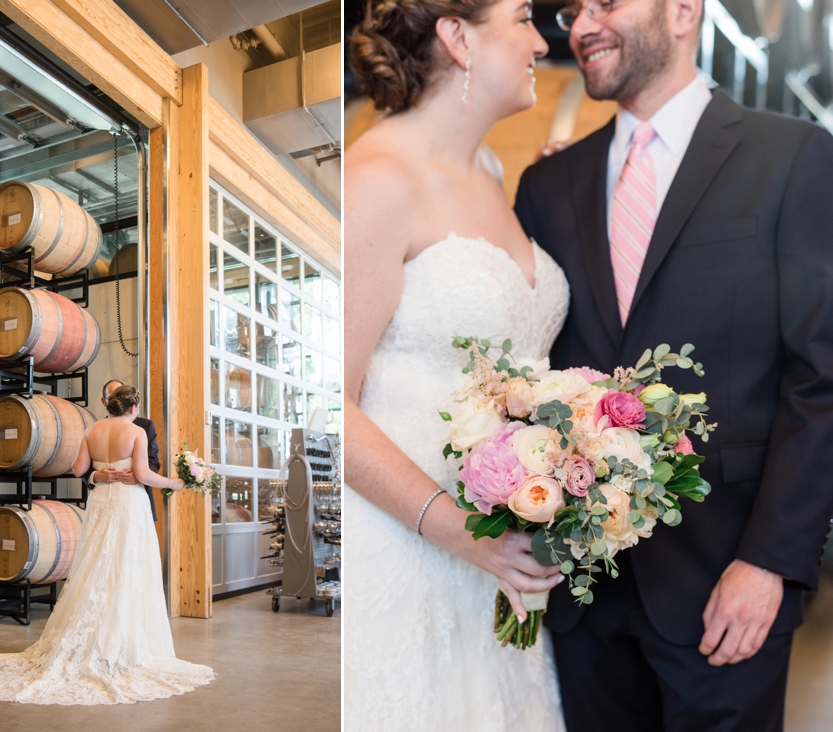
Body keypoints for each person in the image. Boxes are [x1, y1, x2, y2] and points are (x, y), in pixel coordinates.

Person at [514, 1, 833, 730]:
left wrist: (771, 564)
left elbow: (821, 379)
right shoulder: (546, 188)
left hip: (727, 583)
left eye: (606, 4)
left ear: (685, 10)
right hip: (581, 595)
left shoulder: (793, 156)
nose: (581, 25)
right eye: (572, 10)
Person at [345, 1, 567, 729]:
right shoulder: (377, 178)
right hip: (415, 554)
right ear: (458, 36)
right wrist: (468, 537)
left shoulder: (490, 169)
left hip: (500, 564)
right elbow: (329, 407)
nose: (541, 40)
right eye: (525, 17)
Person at [0, 386, 214, 705]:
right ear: (133, 406)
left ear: (109, 405)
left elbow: (79, 471)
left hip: (100, 503)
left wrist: (100, 474)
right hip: (127, 504)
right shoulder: (136, 431)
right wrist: (174, 484)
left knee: (95, 564)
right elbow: (141, 474)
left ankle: (90, 639)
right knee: (127, 565)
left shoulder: (92, 430)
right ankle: (121, 646)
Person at [85, 378, 161, 521]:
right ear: (104, 401)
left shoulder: (145, 426)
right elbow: (81, 467)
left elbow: (154, 462)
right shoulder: (94, 429)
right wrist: (94, 476)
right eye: (113, 397)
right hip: (103, 505)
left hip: (137, 501)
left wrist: (138, 476)